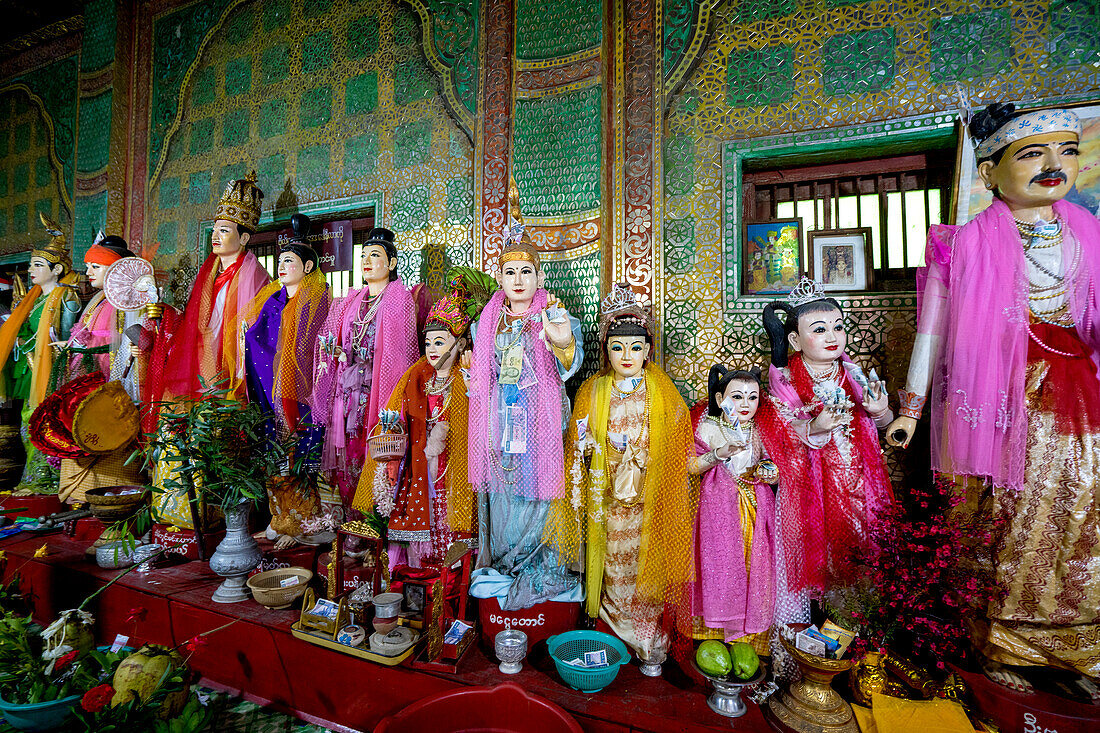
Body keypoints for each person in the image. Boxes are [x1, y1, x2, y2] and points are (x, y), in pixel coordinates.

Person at [887, 103, 1100, 689]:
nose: (1054, 164)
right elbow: (931, 330)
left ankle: (1076, 645)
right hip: (997, 403)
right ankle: (1002, 645)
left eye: (1067, 150)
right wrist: (911, 410)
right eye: (1032, 154)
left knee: (1084, 514)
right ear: (990, 174)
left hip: (1079, 400)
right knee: (1001, 517)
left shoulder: (1089, 237)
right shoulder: (961, 244)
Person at [545, 283, 694, 676]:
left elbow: (678, 443)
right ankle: (612, 631)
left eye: (636, 348)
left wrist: (643, 453)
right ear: (605, 349)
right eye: (617, 347)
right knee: (613, 564)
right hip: (608, 496)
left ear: (648, 350)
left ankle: (647, 637)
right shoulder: (593, 390)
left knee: (647, 566)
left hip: (647, 497)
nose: (626, 356)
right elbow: (576, 442)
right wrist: (594, 444)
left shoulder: (662, 391)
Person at [467, 193, 584, 611]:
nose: (518, 280)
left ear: (538, 276)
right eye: (510, 272)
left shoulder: (553, 313)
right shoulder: (487, 320)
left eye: (526, 272)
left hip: (540, 422)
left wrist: (562, 341)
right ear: (500, 278)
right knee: (502, 494)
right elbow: (481, 376)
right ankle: (504, 561)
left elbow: (572, 363)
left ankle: (535, 563)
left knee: (538, 495)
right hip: (499, 421)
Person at [756, 278, 894, 634]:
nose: (833, 336)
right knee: (805, 557)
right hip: (807, 485)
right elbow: (780, 436)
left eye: (838, 327)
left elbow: (883, 425)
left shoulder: (853, 373)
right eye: (820, 329)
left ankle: (854, 639)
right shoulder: (783, 380)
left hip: (856, 479)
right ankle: (800, 645)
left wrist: (880, 411)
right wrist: (816, 425)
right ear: (794, 340)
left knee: (856, 556)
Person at [145, 173, 270, 529]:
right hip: (201, 370)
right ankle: (180, 513)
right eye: (214, 229)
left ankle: (221, 516)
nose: (216, 236)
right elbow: (192, 328)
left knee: (222, 443)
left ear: (244, 238)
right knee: (181, 433)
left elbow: (254, 332)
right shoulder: (208, 273)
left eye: (225, 230)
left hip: (232, 376)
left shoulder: (255, 276)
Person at [359, 269, 493, 566]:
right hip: (422, 460)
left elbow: (483, 416)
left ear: (459, 344)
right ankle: (426, 567)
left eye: (440, 342)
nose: (432, 349)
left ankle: (456, 571)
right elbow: (400, 417)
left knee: (450, 510)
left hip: (457, 461)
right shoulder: (418, 377)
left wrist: (473, 378)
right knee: (428, 508)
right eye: (428, 342)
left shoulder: (466, 375)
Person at [238, 214, 332, 550]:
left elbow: (313, 348)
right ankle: (279, 520)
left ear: (307, 267)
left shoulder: (315, 300)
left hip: (300, 393)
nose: (282, 266)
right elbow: (255, 337)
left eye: (290, 261)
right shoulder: (271, 299)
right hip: (267, 388)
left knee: (298, 456)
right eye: (280, 261)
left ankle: (303, 524)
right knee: (271, 453)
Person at [314, 227, 418, 509]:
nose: (366, 261)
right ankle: (351, 524)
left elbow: (401, 354)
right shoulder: (351, 300)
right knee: (348, 455)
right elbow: (343, 343)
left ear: (392, 263)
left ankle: (375, 524)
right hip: (348, 392)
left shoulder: (400, 300)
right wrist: (337, 351)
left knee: (376, 451)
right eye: (363, 256)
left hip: (379, 390)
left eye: (375, 254)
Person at [688, 365, 776, 653]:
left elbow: (777, 467)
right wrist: (717, 454)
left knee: (753, 566)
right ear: (719, 398)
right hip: (716, 509)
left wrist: (769, 471)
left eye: (752, 397)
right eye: (737, 397)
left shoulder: (762, 428)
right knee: (717, 567)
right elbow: (690, 466)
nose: (745, 404)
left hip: (754, 506)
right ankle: (711, 634)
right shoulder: (709, 426)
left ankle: (746, 639)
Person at [0, 215, 82, 486]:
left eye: (38, 265)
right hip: (30, 368)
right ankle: (32, 477)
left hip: (52, 368)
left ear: (56, 269)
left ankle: (45, 479)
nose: (31, 270)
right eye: (30, 265)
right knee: (26, 422)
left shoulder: (65, 296)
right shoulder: (34, 300)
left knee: (43, 422)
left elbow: (68, 338)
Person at [65, 234, 145, 401]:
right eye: (88, 266)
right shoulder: (101, 300)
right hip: (91, 363)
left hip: (110, 364)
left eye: (95, 266)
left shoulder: (127, 300)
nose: (88, 272)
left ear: (116, 268)